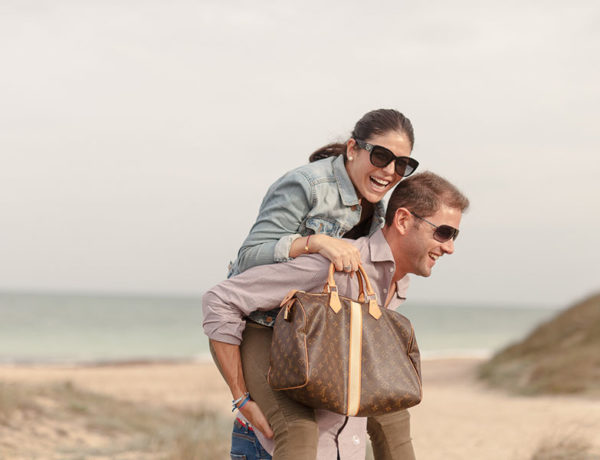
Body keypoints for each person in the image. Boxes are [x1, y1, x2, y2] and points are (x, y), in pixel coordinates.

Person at [203, 172, 470, 459]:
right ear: (403, 220)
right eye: (443, 232)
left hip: (339, 448)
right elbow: (221, 299)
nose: (450, 247)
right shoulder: (340, 264)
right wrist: (240, 397)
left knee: (395, 414)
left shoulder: (397, 282)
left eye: (454, 235)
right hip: (271, 447)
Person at [224, 109, 419, 459]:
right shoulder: (306, 184)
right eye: (381, 156)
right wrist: (314, 243)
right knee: (300, 433)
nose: (390, 171)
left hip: (322, 331)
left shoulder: (375, 207)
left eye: (401, 164)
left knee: (393, 413)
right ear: (352, 149)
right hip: (266, 325)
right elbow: (247, 260)